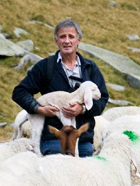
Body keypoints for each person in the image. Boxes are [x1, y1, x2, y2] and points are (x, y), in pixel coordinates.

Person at [12, 19, 109, 157]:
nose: (67, 41)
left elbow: (102, 99)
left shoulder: (90, 68)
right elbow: (19, 92)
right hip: (54, 139)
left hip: (82, 141)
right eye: (62, 37)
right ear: (56, 41)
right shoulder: (45, 67)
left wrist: (82, 109)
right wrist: (39, 109)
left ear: (79, 40)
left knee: (84, 176)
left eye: (71, 37)